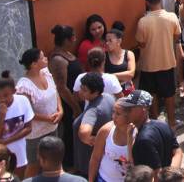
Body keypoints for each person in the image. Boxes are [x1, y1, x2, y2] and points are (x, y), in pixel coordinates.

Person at [135, 0, 181, 128]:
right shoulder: (172, 17)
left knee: (152, 94)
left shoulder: (143, 21)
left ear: (147, 3)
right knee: (169, 94)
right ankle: (172, 122)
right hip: (167, 62)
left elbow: (141, 43)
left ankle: (154, 123)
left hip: (149, 65)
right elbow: (177, 36)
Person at [16, 49, 61, 177]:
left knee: (53, 159)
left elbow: (55, 92)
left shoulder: (46, 73)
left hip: (53, 126)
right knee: (34, 164)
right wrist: (47, 118)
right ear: (34, 64)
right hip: (36, 133)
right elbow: (27, 112)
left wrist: (60, 111)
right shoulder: (24, 86)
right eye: (42, 57)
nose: (46, 58)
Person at [118, 91, 181, 175]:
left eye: (129, 109)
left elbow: (155, 174)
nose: (126, 112)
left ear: (143, 109)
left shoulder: (143, 140)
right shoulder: (163, 125)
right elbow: (178, 152)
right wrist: (171, 176)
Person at [0, 72, 34, 177]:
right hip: (1, 157)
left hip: (21, 153)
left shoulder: (23, 101)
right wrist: (2, 117)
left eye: (6, 95)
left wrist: (5, 141)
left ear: (14, 91)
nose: (2, 99)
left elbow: (28, 128)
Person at [48, 25, 82, 170]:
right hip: (68, 104)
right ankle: (68, 163)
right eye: (73, 36)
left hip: (76, 101)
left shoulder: (66, 53)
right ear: (67, 40)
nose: (75, 38)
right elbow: (62, 87)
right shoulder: (58, 60)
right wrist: (75, 107)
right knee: (69, 133)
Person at [73, 73, 114, 174]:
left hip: (88, 162)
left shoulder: (93, 110)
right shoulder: (108, 97)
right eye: (81, 88)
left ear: (95, 92)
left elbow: (84, 132)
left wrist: (92, 140)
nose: (80, 92)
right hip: (102, 158)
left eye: (84, 90)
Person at [88, 101, 132, 182]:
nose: (113, 116)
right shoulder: (105, 130)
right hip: (103, 179)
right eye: (113, 112)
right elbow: (95, 158)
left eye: (118, 114)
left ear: (128, 116)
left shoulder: (137, 135)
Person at [104, 26, 137, 96]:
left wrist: (110, 76)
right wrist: (122, 76)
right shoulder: (104, 56)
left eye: (110, 40)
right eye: (106, 41)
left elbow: (130, 74)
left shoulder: (129, 54)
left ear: (119, 41)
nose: (107, 43)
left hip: (127, 88)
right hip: (111, 90)